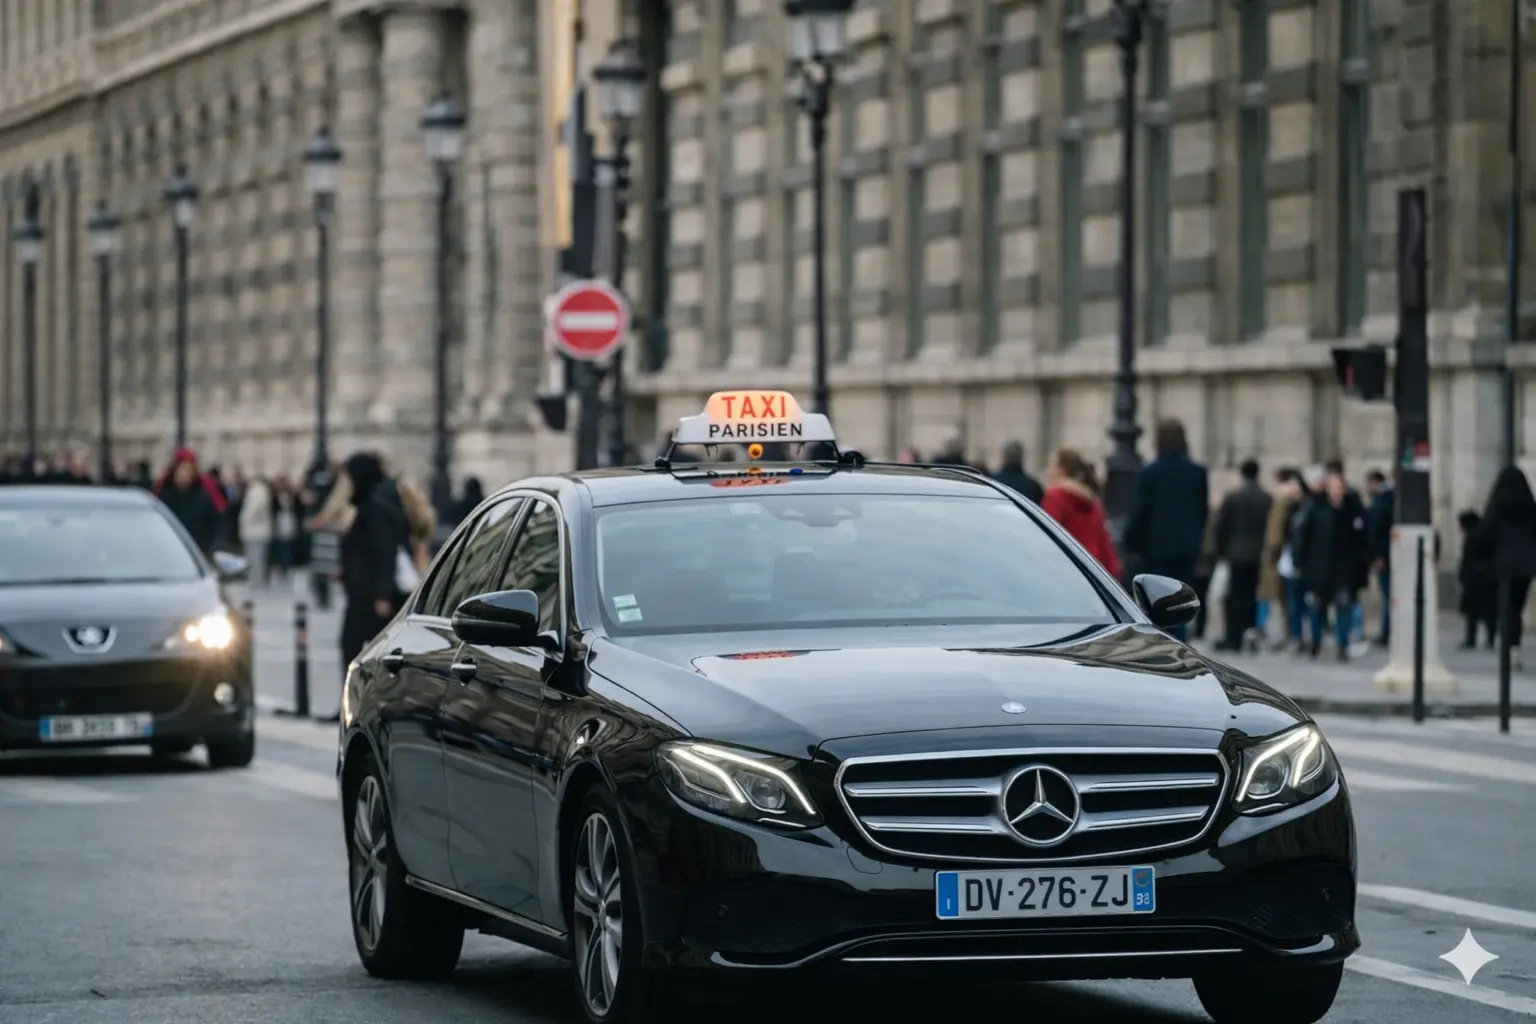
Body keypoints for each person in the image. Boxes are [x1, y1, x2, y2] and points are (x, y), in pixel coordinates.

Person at [329, 452, 410, 723]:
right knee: (362, 650)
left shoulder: (374, 506)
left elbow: (383, 551)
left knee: (362, 650)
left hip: (371, 597)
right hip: (364, 593)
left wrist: (382, 593)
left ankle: (363, 706)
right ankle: (360, 705)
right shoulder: (371, 502)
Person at [1123, 419, 1209, 636]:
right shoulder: (1197, 473)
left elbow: (1141, 512)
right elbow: (1202, 513)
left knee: (1158, 603)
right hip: (1186, 549)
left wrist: (1131, 542)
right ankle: (1181, 643)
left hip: (1156, 549)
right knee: (1180, 603)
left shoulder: (1151, 473)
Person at [1292, 468, 1370, 660]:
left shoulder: (1352, 509)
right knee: (1317, 608)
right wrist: (1299, 561)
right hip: (1319, 568)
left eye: (1340, 487)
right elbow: (1302, 535)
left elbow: (1361, 536)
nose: (1338, 491)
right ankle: (1315, 643)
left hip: (1344, 568)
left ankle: (1342, 644)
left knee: (1344, 606)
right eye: (1334, 487)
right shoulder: (1315, 507)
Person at [1467, 465, 1536, 668]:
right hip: (1525, 567)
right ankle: (1514, 646)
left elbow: (1483, 536)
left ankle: (1507, 647)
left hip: (1502, 566)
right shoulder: (1530, 508)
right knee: (1517, 608)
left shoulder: (1496, 509)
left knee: (1505, 608)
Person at [1212, 459, 1273, 652]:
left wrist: (1221, 551)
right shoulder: (1266, 498)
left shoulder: (1232, 497)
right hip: (1257, 554)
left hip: (1235, 553)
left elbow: (1221, 527)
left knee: (1234, 597)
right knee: (1252, 596)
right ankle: (1251, 633)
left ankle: (1234, 637)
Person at [1040, 448, 1120, 578]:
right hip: (1095, 571)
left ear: (1062, 470)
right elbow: (1104, 542)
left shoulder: (1055, 498)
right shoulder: (1092, 500)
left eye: (1052, 467)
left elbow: (1049, 538)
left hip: (1066, 571)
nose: (1049, 472)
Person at [1261, 467, 1307, 652]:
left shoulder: (1283, 501)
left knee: (1288, 601)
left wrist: (1273, 552)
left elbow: (1275, 535)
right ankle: (1293, 636)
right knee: (1288, 601)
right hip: (1288, 558)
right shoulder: (1296, 502)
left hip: (1287, 558)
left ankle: (1292, 636)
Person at [152, 448, 227, 556]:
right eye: (181, 469)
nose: (184, 474)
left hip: (198, 551)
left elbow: (217, 522)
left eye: (188, 470)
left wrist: (216, 546)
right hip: (168, 550)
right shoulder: (163, 493)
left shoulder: (204, 495)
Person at [1457, 510, 1498, 649]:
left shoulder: (1472, 538)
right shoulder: (1486, 534)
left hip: (1474, 579)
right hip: (1487, 578)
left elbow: (1467, 560)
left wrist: (1462, 575)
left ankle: (1471, 639)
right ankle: (1490, 639)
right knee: (1489, 613)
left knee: (1472, 614)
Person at [1363, 469, 1395, 645]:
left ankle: (1387, 631)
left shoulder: (1383, 501)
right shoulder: (1384, 500)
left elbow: (1378, 530)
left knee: (1388, 594)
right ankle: (1386, 630)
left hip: (1385, 557)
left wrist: (1379, 555)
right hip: (1385, 556)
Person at [239, 476, 274, 589]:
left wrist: (244, 519)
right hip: (257, 532)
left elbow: (253, 510)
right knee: (256, 559)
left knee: (256, 560)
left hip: (256, 532)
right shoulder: (260, 492)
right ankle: (257, 582)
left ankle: (257, 583)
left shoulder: (258, 492)